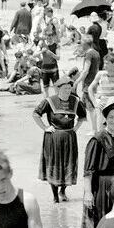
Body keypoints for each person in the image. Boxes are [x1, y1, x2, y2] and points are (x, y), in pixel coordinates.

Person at [33, 75, 88, 203]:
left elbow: (82, 117)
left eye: (69, 88)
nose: (67, 91)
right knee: (54, 165)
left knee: (67, 164)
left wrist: (75, 128)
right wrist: (45, 127)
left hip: (69, 137)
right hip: (53, 138)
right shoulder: (50, 101)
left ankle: (63, 192)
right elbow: (36, 114)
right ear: (58, 89)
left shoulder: (76, 101)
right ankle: (55, 197)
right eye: (65, 89)